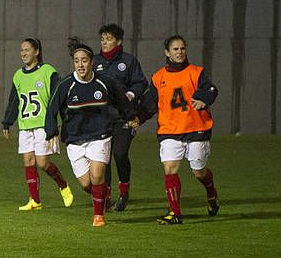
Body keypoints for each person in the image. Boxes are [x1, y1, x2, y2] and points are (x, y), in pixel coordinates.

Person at [44, 38, 139, 227]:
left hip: (100, 135)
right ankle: (102, 197)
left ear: (91, 62)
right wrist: (51, 131)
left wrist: (131, 116)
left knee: (97, 176)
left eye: (84, 60)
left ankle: (98, 216)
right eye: (77, 61)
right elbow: (52, 108)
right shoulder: (65, 85)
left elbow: (121, 99)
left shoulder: (105, 82)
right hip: (75, 139)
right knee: (87, 184)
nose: (80, 64)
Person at [138, 35, 220, 225]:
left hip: (196, 128)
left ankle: (211, 192)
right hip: (169, 130)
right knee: (170, 169)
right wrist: (138, 118)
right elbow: (150, 104)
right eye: (175, 49)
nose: (180, 52)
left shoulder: (196, 72)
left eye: (182, 48)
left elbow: (211, 90)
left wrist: (203, 99)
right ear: (167, 52)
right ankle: (175, 213)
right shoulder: (158, 77)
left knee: (198, 172)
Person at [2, 38, 73, 211]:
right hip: (25, 125)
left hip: (43, 125)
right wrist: (7, 122)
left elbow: (59, 98)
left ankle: (63, 184)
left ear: (37, 51)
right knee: (28, 161)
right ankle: (35, 200)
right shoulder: (18, 75)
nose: (23, 53)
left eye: (27, 50)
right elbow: (14, 101)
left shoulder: (48, 72)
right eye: (21, 50)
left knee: (42, 162)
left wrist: (64, 122)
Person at [93, 24, 147, 211]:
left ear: (119, 41)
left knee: (120, 153)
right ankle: (106, 196)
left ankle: (124, 192)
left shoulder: (129, 61)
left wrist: (131, 94)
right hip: (102, 118)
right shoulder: (95, 61)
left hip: (125, 116)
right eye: (102, 39)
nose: (104, 42)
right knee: (103, 157)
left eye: (108, 38)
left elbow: (141, 83)